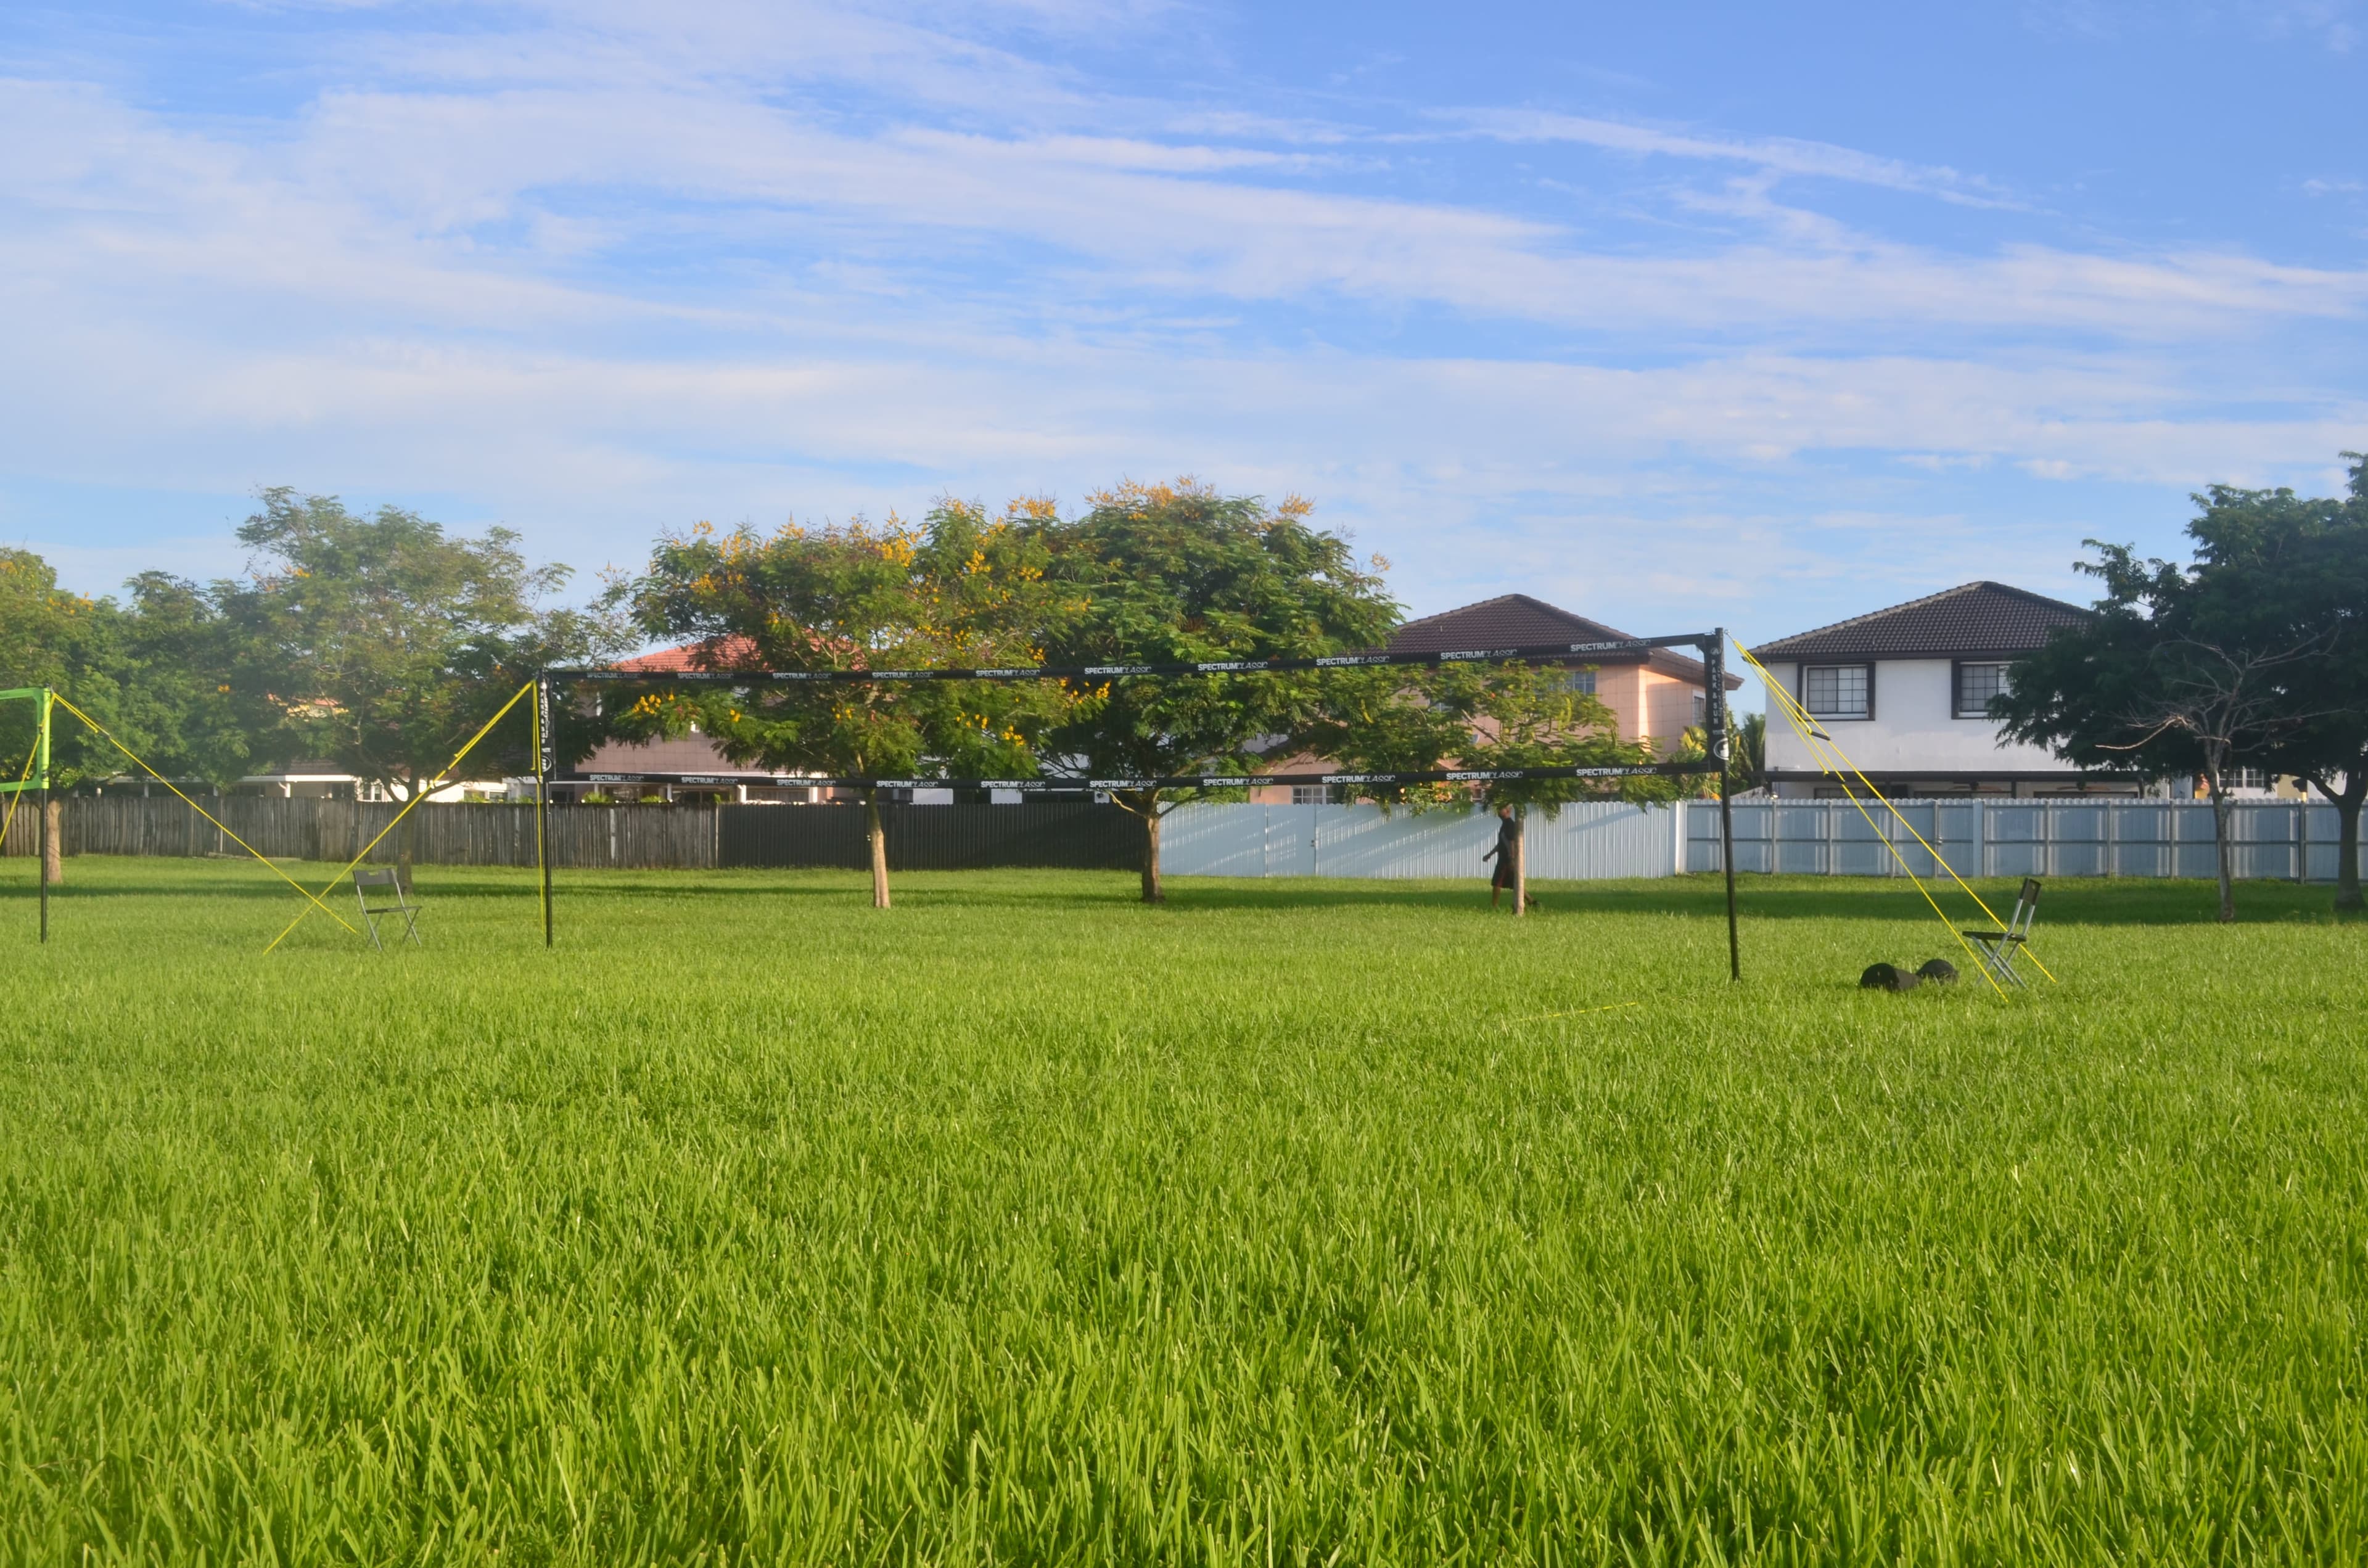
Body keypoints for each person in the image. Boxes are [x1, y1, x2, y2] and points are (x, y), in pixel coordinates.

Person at [1481, 802, 1531, 910]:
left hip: (1507, 860)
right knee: (1515, 883)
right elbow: (1501, 844)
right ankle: (1532, 902)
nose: (1499, 812)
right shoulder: (1505, 825)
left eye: (1501, 809)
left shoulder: (1510, 825)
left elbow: (1512, 842)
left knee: (1497, 882)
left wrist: (1511, 859)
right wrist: (1490, 855)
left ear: (1508, 811)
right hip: (1505, 859)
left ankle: (1494, 906)